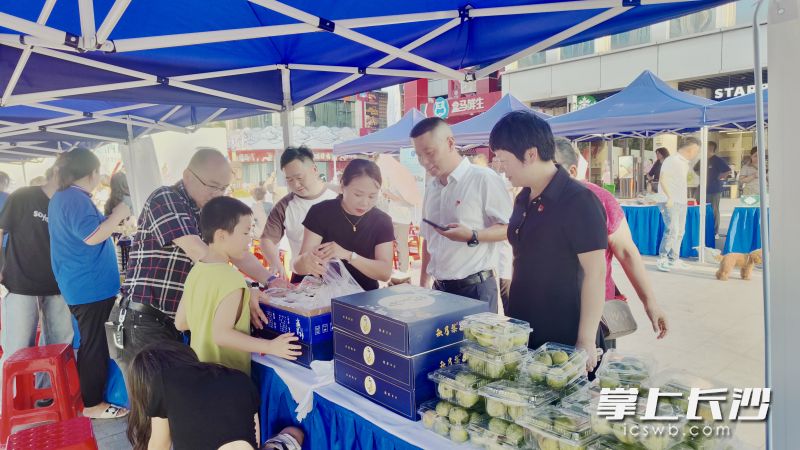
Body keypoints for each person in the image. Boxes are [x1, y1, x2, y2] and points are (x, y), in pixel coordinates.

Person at [118, 148, 282, 377]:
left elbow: (236, 251)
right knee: (158, 404)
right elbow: (199, 251)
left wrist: (271, 281)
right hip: (147, 320)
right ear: (188, 176)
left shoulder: (209, 210)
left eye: (223, 188)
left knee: (178, 402)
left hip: (178, 322)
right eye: (213, 186)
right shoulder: (166, 198)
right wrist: (240, 289)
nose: (218, 193)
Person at [490, 111, 607, 372]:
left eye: (503, 159)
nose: (500, 167)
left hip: (566, 335)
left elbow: (596, 273)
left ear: (530, 154)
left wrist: (585, 339)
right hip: (526, 329)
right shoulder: (522, 198)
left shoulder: (578, 201)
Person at [553, 138, 668, 344]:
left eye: (553, 167)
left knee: (596, 372)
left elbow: (626, 252)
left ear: (571, 171)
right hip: (549, 311)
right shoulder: (532, 200)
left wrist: (650, 303)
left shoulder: (599, 198)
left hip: (595, 312)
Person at [48, 148, 132, 419]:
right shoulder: (72, 198)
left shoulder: (68, 197)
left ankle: (94, 397)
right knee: (94, 344)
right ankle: (92, 403)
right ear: (91, 172)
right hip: (89, 287)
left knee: (93, 342)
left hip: (86, 285)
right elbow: (92, 236)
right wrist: (119, 213)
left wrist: (114, 224)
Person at [175, 196, 301, 375]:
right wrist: (270, 346)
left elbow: (181, 323)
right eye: (245, 232)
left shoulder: (197, 270)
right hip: (228, 379)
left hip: (200, 375)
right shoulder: (231, 278)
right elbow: (222, 335)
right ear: (221, 235)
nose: (250, 239)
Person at [411, 118, 512, 313]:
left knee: (476, 344)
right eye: (419, 155)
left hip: (476, 288)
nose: (424, 162)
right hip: (439, 290)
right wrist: (423, 285)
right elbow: (428, 239)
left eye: (430, 153)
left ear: (450, 143)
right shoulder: (431, 188)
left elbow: (510, 229)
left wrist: (473, 235)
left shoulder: (483, 179)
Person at [127, 341, 304, 450]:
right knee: (293, 433)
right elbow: (253, 440)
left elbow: (159, 446)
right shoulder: (238, 378)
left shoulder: (163, 382)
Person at [0, 164, 74, 399]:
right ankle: (8, 400)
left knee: (59, 344)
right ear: (56, 172)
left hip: (58, 284)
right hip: (21, 282)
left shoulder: (68, 202)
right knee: (18, 346)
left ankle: (46, 394)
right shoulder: (24, 196)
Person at [294, 159, 394, 291]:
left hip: (364, 296)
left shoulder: (382, 221)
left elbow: (384, 273)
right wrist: (307, 261)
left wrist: (348, 255)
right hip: (322, 295)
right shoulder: (320, 212)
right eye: (358, 194)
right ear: (342, 186)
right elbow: (298, 266)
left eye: (372, 196)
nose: (365, 203)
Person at [261, 147, 339, 281]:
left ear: (314, 170)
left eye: (299, 177)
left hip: (341, 274)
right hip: (303, 276)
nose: (296, 184)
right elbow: (267, 240)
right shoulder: (284, 206)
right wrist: (275, 263)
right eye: (290, 180)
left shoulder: (339, 196)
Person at [657, 137, 701, 272]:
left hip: (681, 201)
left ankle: (673, 259)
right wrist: (669, 197)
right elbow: (662, 178)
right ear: (691, 148)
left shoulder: (684, 163)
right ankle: (663, 258)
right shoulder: (672, 160)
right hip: (670, 201)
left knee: (680, 231)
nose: (697, 153)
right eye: (697, 150)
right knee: (672, 230)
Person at [694, 141, 732, 237]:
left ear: (710, 148)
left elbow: (728, 170)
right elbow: (695, 169)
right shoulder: (702, 160)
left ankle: (715, 232)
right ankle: (702, 230)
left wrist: (719, 177)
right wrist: (702, 176)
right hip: (702, 189)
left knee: (713, 210)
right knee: (699, 208)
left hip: (714, 189)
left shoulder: (717, 160)